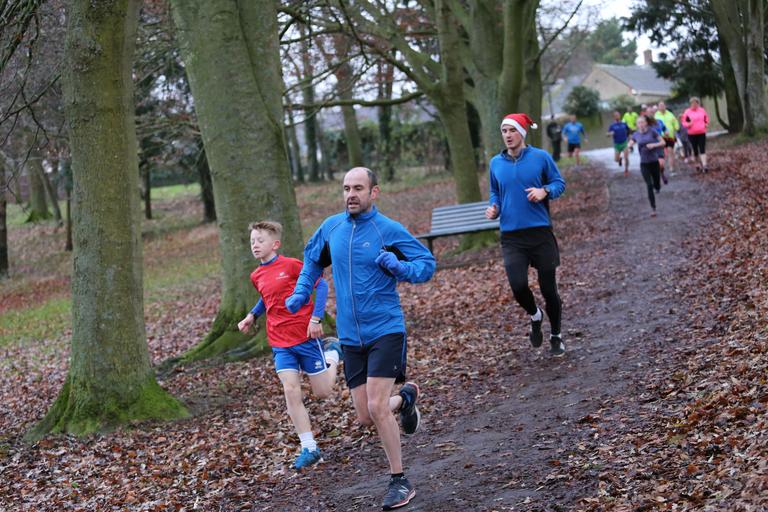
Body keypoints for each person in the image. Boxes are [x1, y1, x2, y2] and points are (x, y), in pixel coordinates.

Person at [286, 167, 436, 511]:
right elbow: (312, 262)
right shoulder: (332, 228)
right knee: (366, 416)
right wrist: (301, 292)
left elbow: (426, 264)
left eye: (358, 188)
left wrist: (400, 268)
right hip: (351, 337)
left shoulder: (388, 230)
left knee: (376, 406)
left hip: (386, 329)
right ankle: (406, 399)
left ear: (374, 192)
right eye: (346, 188)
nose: (351, 194)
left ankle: (399, 480)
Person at [237, 221, 343, 470]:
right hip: (280, 342)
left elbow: (322, 285)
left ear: (275, 244)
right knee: (291, 390)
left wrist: (316, 319)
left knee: (323, 392)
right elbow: (267, 299)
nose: (255, 245)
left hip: (305, 337)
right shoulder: (256, 275)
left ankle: (333, 354)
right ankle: (309, 447)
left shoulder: (293, 265)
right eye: (252, 241)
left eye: (260, 240)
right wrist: (252, 316)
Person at [485, 113, 567, 357]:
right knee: (518, 286)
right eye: (504, 131)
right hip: (512, 236)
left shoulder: (540, 157)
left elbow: (559, 183)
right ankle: (535, 314)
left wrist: (545, 191)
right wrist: (494, 207)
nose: (508, 135)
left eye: (512, 130)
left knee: (549, 290)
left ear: (522, 132)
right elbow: (495, 191)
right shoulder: (495, 163)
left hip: (540, 233)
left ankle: (556, 336)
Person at [628, 115, 666, 217]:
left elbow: (663, 142)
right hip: (644, 163)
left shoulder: (652, 131)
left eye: (642, 122)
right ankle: (653, 208)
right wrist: (629, 146)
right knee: (649, 185)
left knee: (656, 184)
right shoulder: (636, 134)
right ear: (637, 125)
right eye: (638, 123)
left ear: (646, 123)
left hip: (654, 162)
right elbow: (631, 142)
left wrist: (654, 145)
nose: (640, 124)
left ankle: (658, 185)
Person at [681, 96, 710, 173]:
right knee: (695, 149)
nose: (694, 105)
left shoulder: (702, 110)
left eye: (696, 103)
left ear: (698, 103)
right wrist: (688, 124)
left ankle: (705, 165)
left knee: (702, 149)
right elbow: (684, 122)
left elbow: (706, 118)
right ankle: (697, 164)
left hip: (701, 132)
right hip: (692, 134)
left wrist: (706, 124)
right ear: (690, 104)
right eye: (692, 103)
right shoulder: (687, 112)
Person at [655, 101, 679, 172]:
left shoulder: (670, 114)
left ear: (665, 106)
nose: (662, 107)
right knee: (661, 154)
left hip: (670, 136)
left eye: (663, 105)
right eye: (660, 105)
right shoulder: (656, 116)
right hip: (660, 137)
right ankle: (661, 167)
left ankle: (671, 168)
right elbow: (655, 127)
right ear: (658, 107)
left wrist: (676, 128)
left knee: (670, 152)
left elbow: (675, 122)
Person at [606, 111, 630, 175]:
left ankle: (626, 170)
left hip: (624, 143)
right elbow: (607, 134)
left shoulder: (624, 124)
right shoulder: (612, 126)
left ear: (620, 116)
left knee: (626, 157)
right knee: (616, 160)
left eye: (618, 115)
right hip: (617, 144)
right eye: (615, 115)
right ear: (614, 117)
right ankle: (620, 159)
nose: (617, 116)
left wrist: (628, 137)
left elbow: (628, 130)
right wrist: (610, 134)